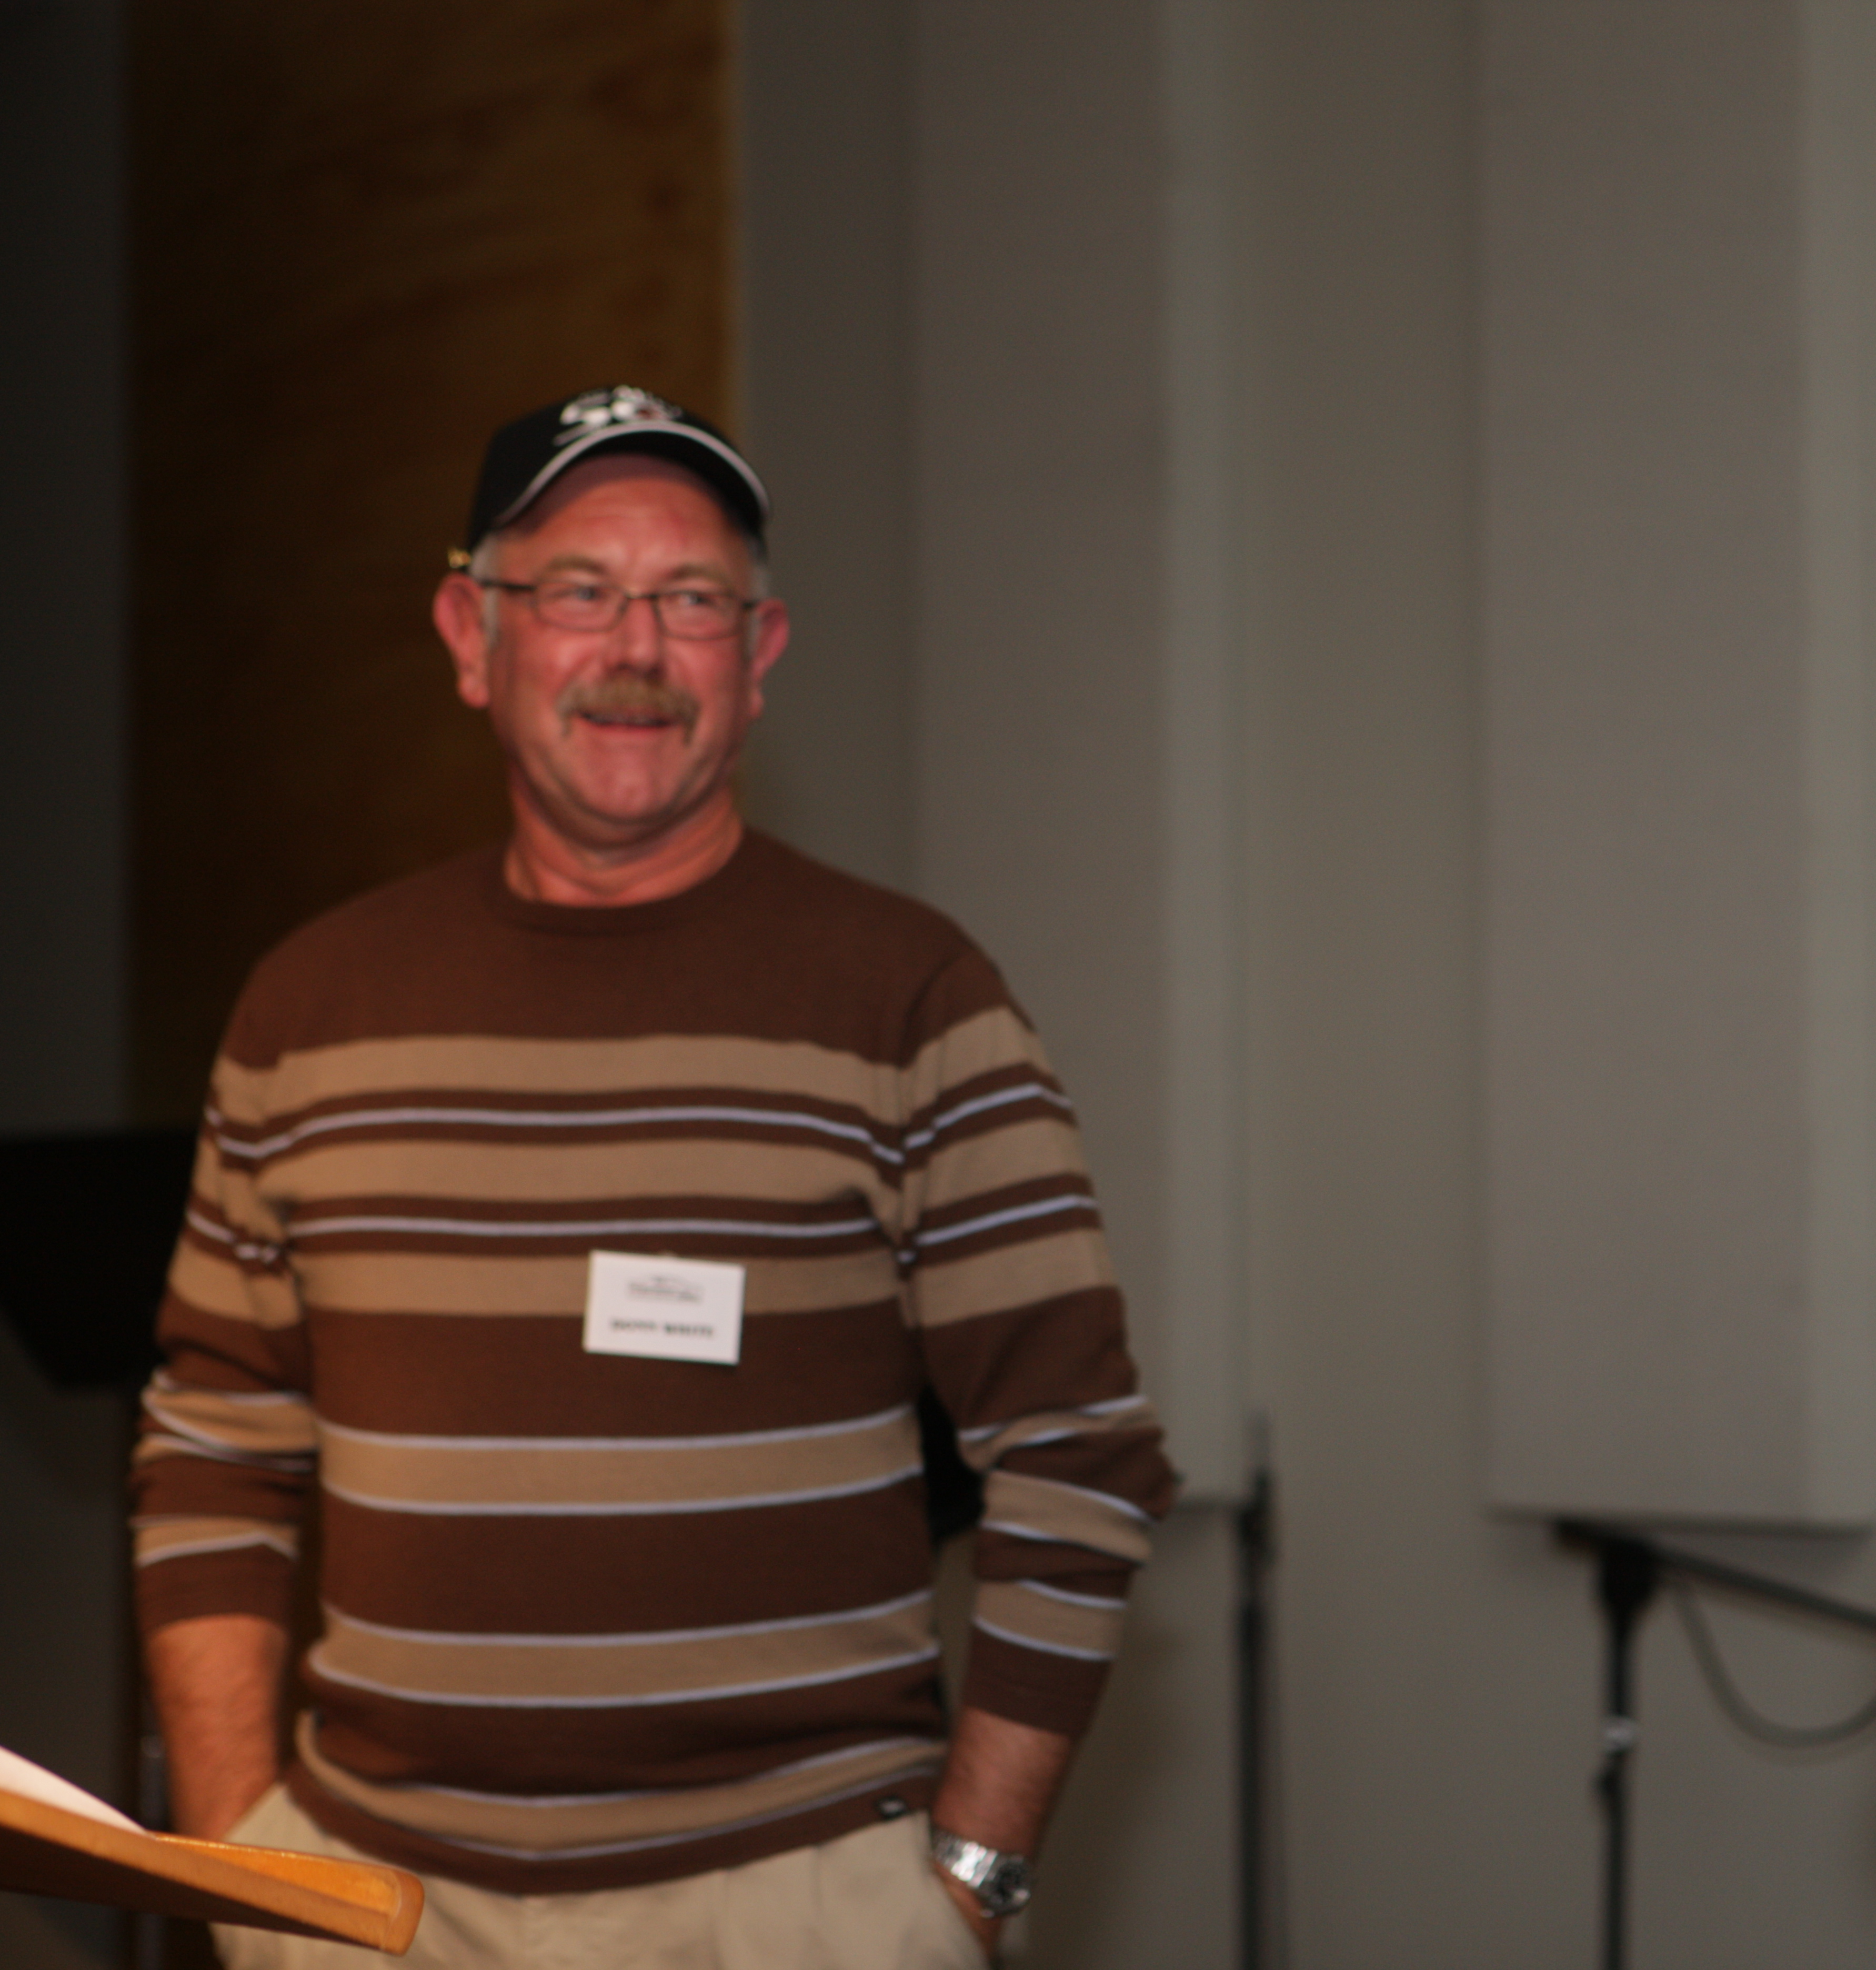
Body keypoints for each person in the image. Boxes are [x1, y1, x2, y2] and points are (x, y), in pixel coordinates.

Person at [131, 386, 1177, 1968]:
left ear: (758, 659)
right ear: (472, 637)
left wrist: (967, 1888)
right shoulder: (307, 1011)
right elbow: (216, 1445)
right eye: (578, 591)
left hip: (796, 1907)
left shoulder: (912, 1000)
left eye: (692, 600)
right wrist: (237, 1863)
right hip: (373, 1906)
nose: (637, 649)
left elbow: (1076, 1456)